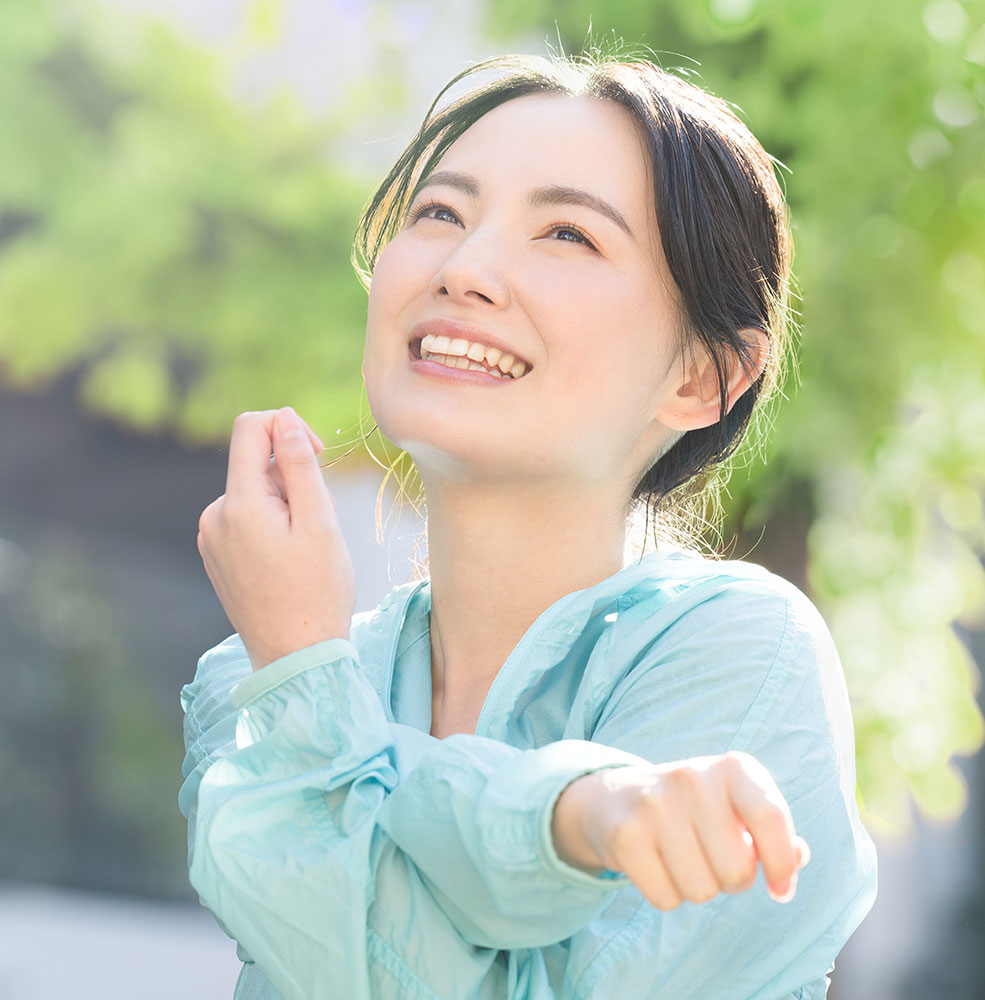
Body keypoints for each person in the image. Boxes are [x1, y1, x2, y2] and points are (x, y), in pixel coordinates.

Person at [177, 51, 877, 1000]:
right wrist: (571, 818)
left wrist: (305, 677)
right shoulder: (251, 679)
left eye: (567, 234)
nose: (465, 270)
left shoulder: (741, 652)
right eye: (440, 214)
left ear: (705, 377)